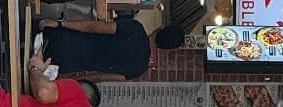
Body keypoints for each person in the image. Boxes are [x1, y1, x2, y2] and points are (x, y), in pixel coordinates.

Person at [40, 15, 184, 82]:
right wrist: (71, 81)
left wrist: (60, 23)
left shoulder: (135, 29)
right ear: (165, 49)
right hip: (64, 64)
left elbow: (93, 27)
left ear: (161, 28)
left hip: (62, 38)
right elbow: (99, 77)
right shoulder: (139, 68)